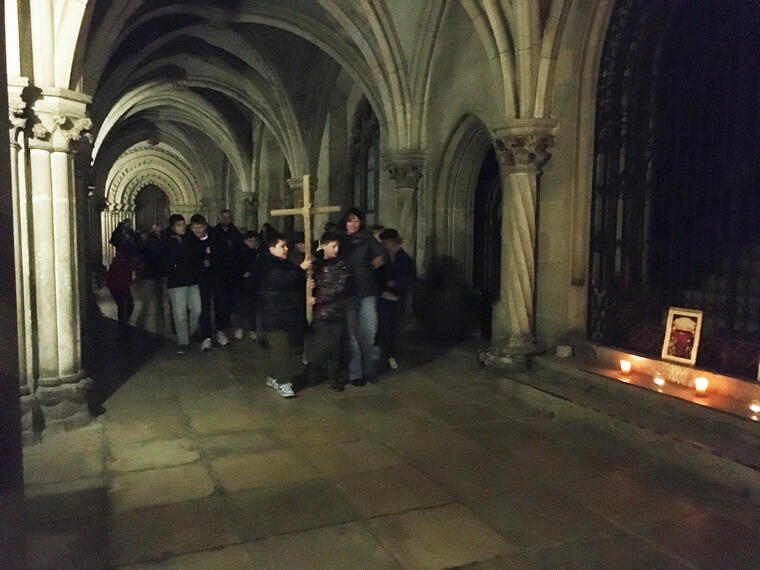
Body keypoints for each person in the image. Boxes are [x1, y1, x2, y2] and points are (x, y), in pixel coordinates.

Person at [259, 231, 312, 398]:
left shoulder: (285, 263)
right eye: (282, 246)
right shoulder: (267, 265)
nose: (286, 249)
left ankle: (274, 376)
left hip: (287, 314)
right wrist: (300, 269)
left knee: (285, 349)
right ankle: (284, 383)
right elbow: (279, 281)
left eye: (286, 245)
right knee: (281, 349)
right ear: (271, 248)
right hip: (274, 315)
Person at [340, 207, 383, 385]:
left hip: (366, 291)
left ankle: (369, 369)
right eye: (350, 220)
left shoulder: (367, 239)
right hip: (348, 291)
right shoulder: (340, 239)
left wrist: (369, 267)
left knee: (369, 331)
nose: (353, 224)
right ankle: (355, 372)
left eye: (356, 221)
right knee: (352, 333)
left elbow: (380, 257)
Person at [307, 231, 350, 391]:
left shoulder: (342, 264)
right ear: (324, 245)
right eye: (333, 246)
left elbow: (339, 287)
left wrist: (318, 299)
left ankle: (332, 376)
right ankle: (313, 373)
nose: (336, 249)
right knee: (320, 344)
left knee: (334, 345)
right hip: (320, 313)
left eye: (338, 246)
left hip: (335, 310)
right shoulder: (316, 264)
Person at [377, 228, 417, 370]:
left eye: (387, 243)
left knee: (395, 328)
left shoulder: (404, 259)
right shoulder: (384, 258)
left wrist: (396, 284)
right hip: (383, 297)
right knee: (384, 328)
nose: (386, 246)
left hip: (397, 298)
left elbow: (411, 278)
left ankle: (392, 355)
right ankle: (386, 354)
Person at [162, 214, 202, 354]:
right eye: (179, 225)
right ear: (173, 227)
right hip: (177, 282)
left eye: (183, 224)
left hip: (192, 280)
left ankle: (189, 334)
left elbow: (196, 255)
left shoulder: (191, 239)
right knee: (180, 314)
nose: (183, 227)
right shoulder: (167, 241)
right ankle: (183, 341)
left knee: (197, 309)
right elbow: (167, 260)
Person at [189, 214, 229, 351]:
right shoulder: (190, 240)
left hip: (217, 276)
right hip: (200, 279)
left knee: (220, 303)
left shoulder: (216, 238)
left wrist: (212, 261)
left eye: (200, 227)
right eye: (195, 228)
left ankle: (219, 330)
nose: (198, 230)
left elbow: (224, 255)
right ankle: (206, 336)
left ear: (205, 226)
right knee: (204, 307)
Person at [210, 209, 243, 340]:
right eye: (223, 217)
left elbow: (240, 251)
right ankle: (220, 326)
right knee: (219, 300)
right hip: (218, 273)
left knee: (232, 300)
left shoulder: (236, 233)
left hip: (233, 274)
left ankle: (229, 323)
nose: (226, 219)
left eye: (228, 217)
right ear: (220, 218)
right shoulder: (213, 233)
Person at [233, 231, 261, 341]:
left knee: (252, 308)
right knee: (241, 307)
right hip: (241, 285)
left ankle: (252, 329)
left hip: (253, 284)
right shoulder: (239, 253)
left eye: (255, 241)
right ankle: (239, 327)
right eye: (250, 241)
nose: (253, 243)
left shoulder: (257, 253)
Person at [106, 248, 134, 335]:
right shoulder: (121, 262)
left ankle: (123, 323)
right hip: (118, 287)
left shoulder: (121, 261)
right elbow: (121, 276)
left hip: (120, 286)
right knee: (123, 306)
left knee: (126, 305)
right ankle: (122, 326)